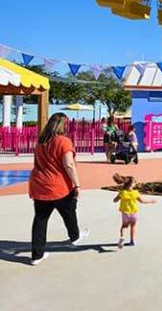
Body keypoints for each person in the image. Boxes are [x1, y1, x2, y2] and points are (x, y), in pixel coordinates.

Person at [29, 113, 90, 265]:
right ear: (63, 125)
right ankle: (75, 236)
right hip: (58, 185)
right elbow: (69, 164)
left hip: (40, 185)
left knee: (40, 219)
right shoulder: (63, 141)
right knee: (69, 212)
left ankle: (37, 255)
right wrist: (77, 184)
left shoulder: (41, 142)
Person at [112, 174, 156, 248]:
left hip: (125, 213)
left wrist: (117, 198)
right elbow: (142, 201)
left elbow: (115, 200)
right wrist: (151, 201)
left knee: (124, 226)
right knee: (133, 226)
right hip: (134, 213)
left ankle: (122, 237)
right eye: (134, 182)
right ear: (132, 184)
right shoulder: (135, 193)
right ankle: (132, 241)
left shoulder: (122, 192)